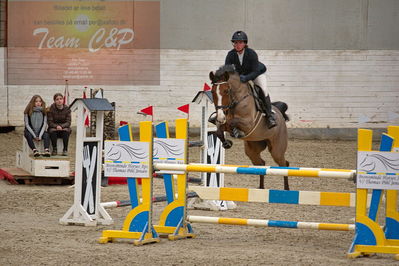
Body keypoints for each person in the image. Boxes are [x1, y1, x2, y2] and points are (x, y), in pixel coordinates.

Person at [211, 31, 277, 129]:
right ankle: (222, 113)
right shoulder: (231, 54)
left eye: (240, 42)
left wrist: (246, 78)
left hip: (256, 74)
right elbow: (226, 71)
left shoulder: (251, 53)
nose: (238, 45)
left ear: (245, 43)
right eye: (235, 43)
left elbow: (255, 71)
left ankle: (269, 115)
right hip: (240, 76)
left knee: (263, 89)